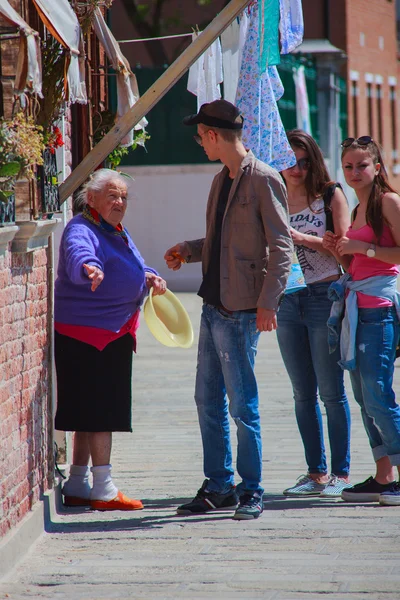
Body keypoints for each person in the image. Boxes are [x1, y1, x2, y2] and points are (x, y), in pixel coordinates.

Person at [164, 99, 293, 520]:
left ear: (215, 135)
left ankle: (252, 488)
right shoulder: (221, 180)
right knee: (207, 398)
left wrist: (268, 304)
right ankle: (218, 485)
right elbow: (221, 243)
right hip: (213, 305)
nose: (199, 144)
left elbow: (282, 248)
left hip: (242, 312)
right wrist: (189, 250)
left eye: (201, 137)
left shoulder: (265, 180)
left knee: (243, 404)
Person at [55, 169, 167, 511]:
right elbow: (78, 253)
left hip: (106, 332)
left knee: (87, 412)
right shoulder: (82, 227)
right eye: (112, 196)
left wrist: (148, 275)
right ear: (92, 199)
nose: (119, 202)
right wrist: (90, 268)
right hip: (94, 333)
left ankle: (77, 483)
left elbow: (133, 263)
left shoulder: (112, 229)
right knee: (102, 412)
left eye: (123, 197)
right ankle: (103, 489)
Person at [323, 136, 400, 506]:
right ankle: (384, 476)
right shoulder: (357, 209)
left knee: (379, 395)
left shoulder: (388, 202)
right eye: (348, 166)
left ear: (377, 167)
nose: (354, 172)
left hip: (380, 310)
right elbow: (355, 264)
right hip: (357, 307)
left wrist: (361, 248)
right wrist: (337, 250)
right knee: (364, 397)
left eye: (362, 165)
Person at [277, 130, 352, 498]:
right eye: (290, 161)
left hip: (325, 293)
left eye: (304, 162)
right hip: (287, 297)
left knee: (331, 391)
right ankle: (315, 472)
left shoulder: (329, 194)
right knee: (301, 393)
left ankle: (341, 473)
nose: (297, 169)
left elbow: (345, 252)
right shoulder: (272, 193)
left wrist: (301, 237)